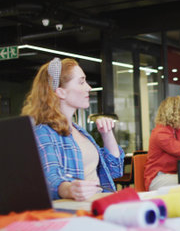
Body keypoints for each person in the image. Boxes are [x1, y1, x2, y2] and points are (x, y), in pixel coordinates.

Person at [22, 58, 125, 201]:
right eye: (81, 82)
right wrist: (68, 189)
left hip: (100, 203)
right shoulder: (43, 132)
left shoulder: (79, 131)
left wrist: (107, 135)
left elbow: (114, 170)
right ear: (61, 92)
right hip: (78, 211)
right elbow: (50, 177)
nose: (89, 87)